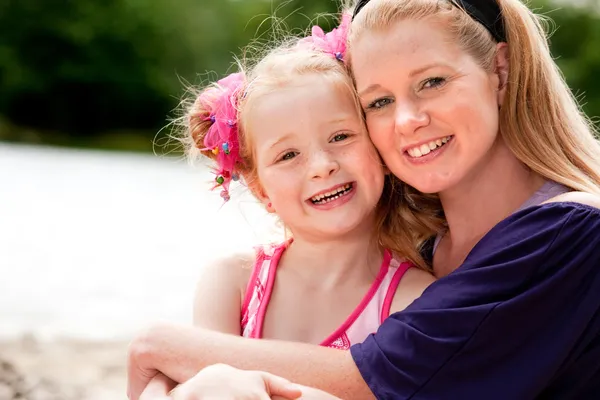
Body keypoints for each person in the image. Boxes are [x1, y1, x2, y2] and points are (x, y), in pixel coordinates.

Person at [127, 0, 600, 398]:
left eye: (432, 82)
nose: (407, 119)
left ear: (499, 70)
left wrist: (163, 345)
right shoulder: (429, 248)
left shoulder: (570, 232)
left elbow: (376, 377)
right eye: (378, 102)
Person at [136, 14, 438, 399]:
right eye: (288, 154)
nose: (321, 165)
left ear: (377, 146)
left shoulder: (412, 297)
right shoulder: (234, 282)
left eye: (341, 136)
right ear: (260, 188)